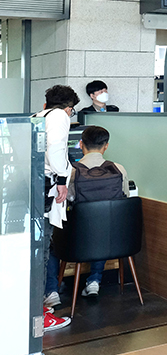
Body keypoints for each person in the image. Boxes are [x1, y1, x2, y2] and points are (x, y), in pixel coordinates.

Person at [47, 126, 130, 299]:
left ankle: (52, 291)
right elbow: (125, 198)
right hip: (111, 241)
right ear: (106, 146)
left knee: (50, 243)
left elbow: (65, 201)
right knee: (102, 225)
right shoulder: (119, 170)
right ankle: (94, 281)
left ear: (81, 144)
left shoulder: (70, 173)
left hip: (77, 242)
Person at [35, 85, 79, 331]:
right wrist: (63, 180)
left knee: (35, 251)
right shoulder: (60, 116)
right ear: (69, 107)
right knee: (41, 251)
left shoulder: (37, 116)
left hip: (31, 190)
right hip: (46, 190)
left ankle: (34, 308)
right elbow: (56, 148)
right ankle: (39, 316)